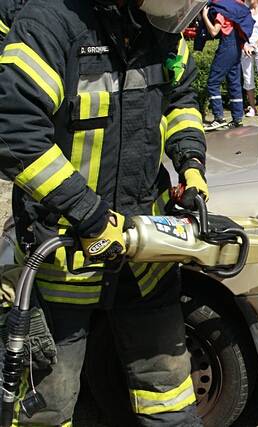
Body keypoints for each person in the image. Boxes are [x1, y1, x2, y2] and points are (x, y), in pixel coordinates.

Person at [0, 0, 210, 424]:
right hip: (63, 257)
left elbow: (180, 101)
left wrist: (190, 163)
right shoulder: (49, 25)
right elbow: (16, 134)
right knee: (46, 404)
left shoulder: (161, 24)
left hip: (144, 256)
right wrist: (91, 215)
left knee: (167, 392)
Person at [201, 0, 255, 130]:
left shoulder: (221, 11)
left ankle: (219, 118)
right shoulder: (234, 10)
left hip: (226, 48)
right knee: (234, 83)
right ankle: (237, 119)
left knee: (213, 82)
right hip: (236, 48)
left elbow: (214, 32)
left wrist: (204, 16)